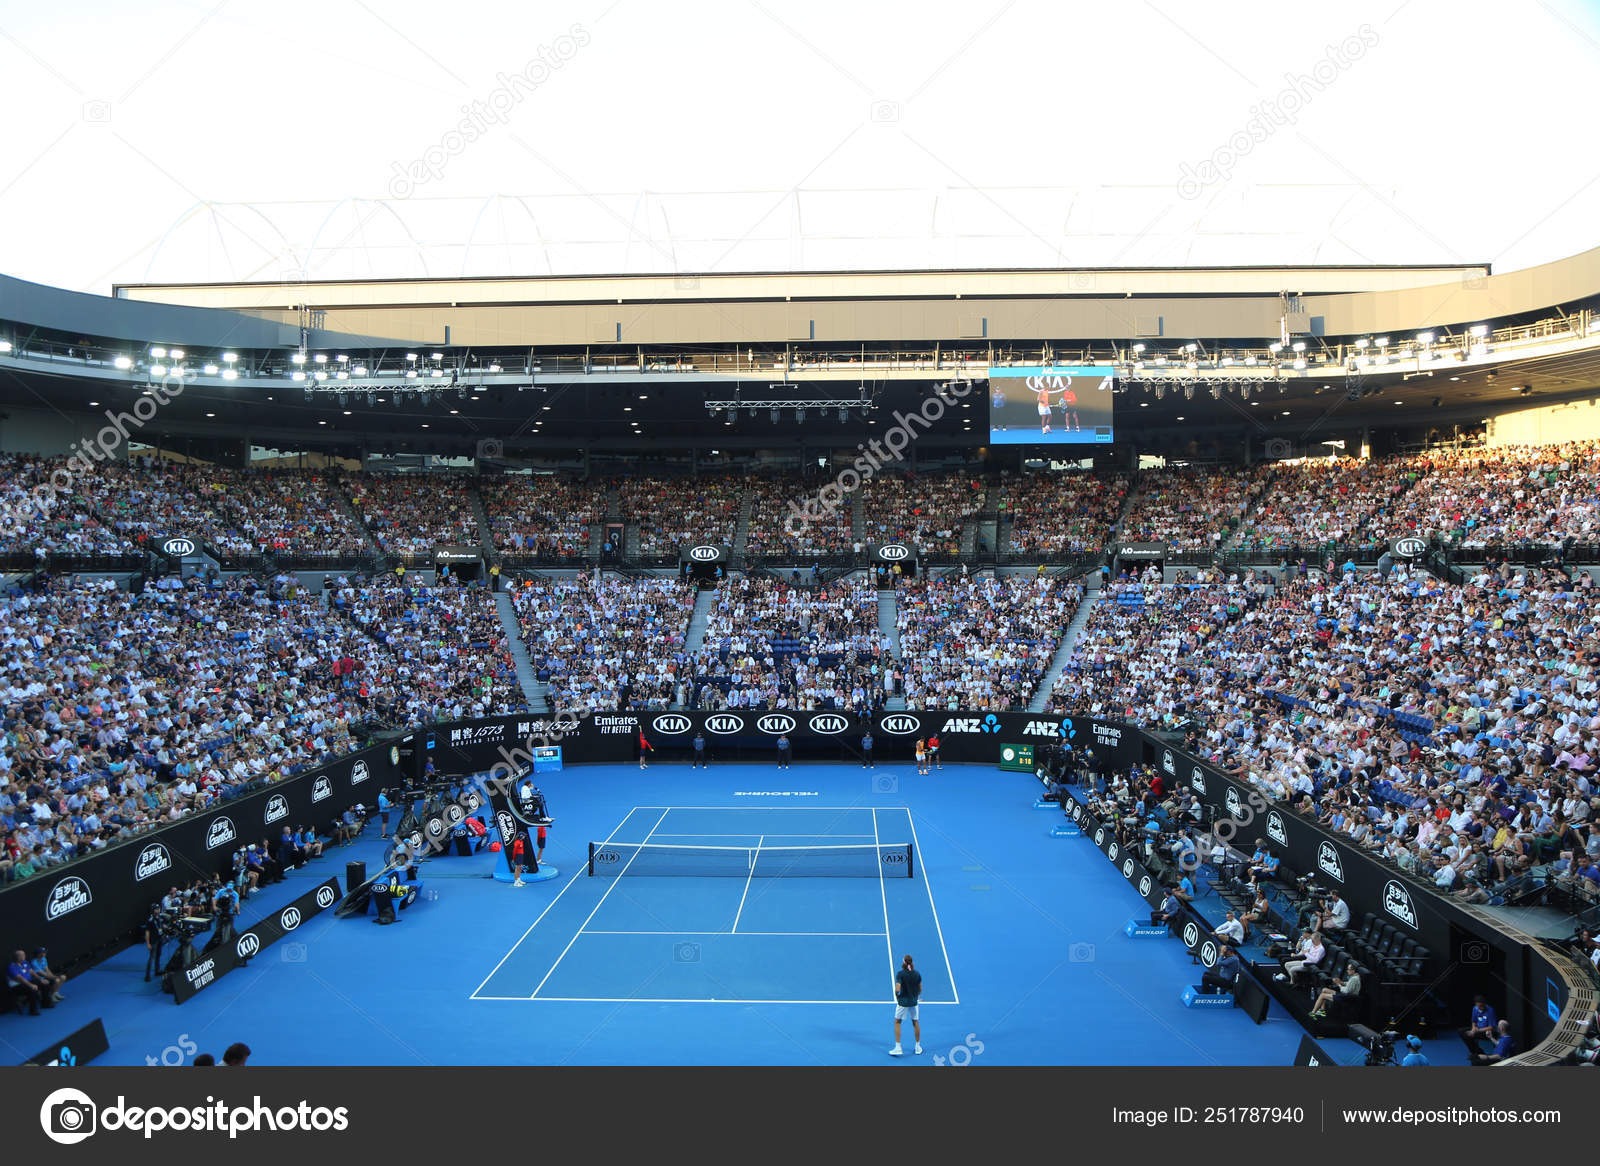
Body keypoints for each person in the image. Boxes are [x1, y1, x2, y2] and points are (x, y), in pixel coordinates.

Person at [889, 954, 922, 1056]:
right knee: (915, 1022)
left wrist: (897, 996)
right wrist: (915, 996)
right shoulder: (917, 974)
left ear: (904, 962)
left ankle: (898, 1047)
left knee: (897, 1022)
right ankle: (917, 1046)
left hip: (903, 1003)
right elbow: (920, 989)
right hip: (913, 1002)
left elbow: (897, 989)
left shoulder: (900, 974)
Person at [144, 905, 166, 982]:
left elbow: (162, 926)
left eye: (159, 908)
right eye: (157, 909)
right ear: (153, 910)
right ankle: (147, 975)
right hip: (153, 941)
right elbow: (147, 933)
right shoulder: (150, 920)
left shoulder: (159, 918)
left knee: (158, 955)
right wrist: (148, 943)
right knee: (151, 958)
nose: (158, 910)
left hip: (160, 939)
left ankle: (157, 971)